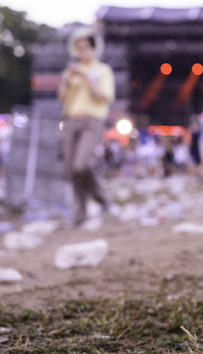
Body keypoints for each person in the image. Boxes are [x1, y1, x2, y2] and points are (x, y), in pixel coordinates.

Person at [57, 27, 115, 226]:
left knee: (82, 164)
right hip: (71, 119)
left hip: (93, 120)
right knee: (71, 169)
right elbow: (62, 99)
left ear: (93, 48)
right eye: (78, 48)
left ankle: (102, 198)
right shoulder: (70, 72)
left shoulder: (102, 70)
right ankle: (79, 214)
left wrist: (86, 76)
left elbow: (103, 97)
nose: (82, 52)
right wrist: (66, 82)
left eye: (85, 47)